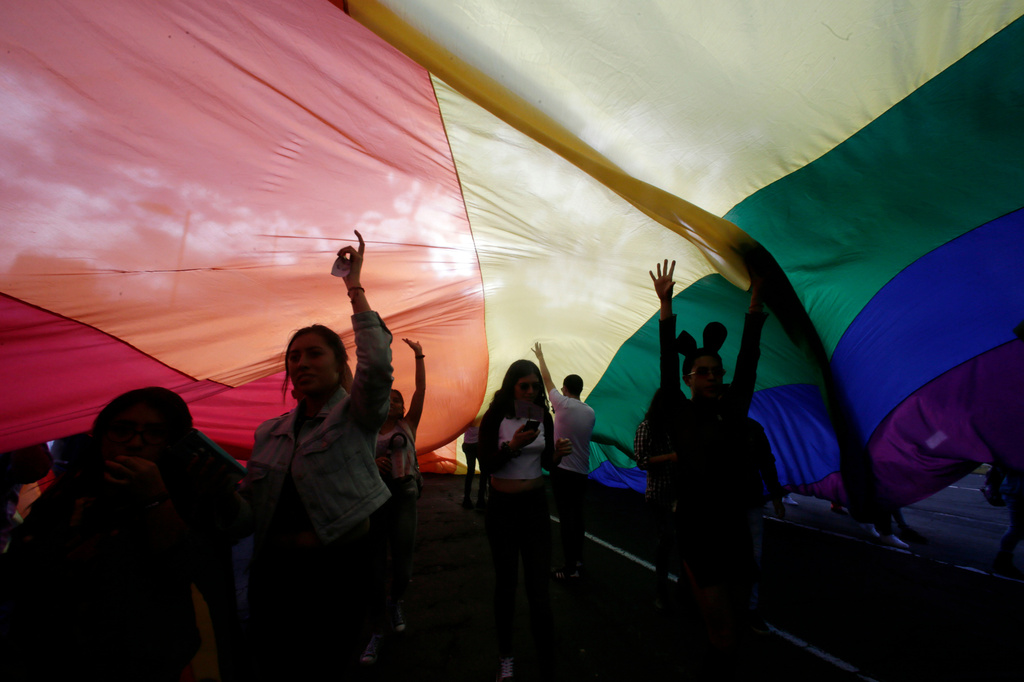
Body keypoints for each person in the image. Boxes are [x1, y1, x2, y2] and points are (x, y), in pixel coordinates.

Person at [226, 230, 394, 679]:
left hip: (335, 575)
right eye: (293, 357)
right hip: (274, 577)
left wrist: (353, 287)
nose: (300, 363)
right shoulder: (270, 433)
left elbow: (377, 365)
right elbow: (247, 515)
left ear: (340, 364)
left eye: (314, 353)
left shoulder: (356, 416)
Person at [1, 388, 218, 682]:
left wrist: (154, 496)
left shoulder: (190, 494)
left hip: (134, 661)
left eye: (154, 433)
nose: (135, 442)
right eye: (122, 430)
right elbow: (25, 561)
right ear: (102, 435)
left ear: (172, 442)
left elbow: (180, 567)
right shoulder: (72, 488)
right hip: (46, 652)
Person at [649, 257, 767, 657]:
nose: (713, 376)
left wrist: (756, 304)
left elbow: (749, 364)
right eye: (703, 371)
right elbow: (667, 366)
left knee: (733, 625)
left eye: (717, 370)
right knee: (720, 632)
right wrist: (666, 307)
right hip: (699, 530)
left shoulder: (733, 410)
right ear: (689, 379)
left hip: (733, 529)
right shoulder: (679, 412)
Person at [479, 360, 571, 682]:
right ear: (511, 387)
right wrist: (511, 447)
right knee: (506, 585)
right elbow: (487, 465)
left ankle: (547, 659)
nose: (532, 391)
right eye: (524, 386)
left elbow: (544, 462)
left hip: (534, 506)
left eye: (534, 386)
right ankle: (506, 655)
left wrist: (557, 453)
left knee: (538, 590)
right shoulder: (495, 417)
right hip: (503, 508)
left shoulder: (542, 415)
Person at [360, 338, 426, 665]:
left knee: (402, 568)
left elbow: (420, 392)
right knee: (373, 569)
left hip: (404, 498)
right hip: (375, 499)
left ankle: (395, 601)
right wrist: (371, 463)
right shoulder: (367, 430)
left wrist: (419, 356)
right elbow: (353, 458)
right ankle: (375, 632)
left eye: (398, 399)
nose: (396, 403)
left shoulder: (408, 426)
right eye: (390, 398)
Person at [532, 342, 596, 581]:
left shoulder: (561, 404)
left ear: (565, 389)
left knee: (566, 519)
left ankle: (569, 568)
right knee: (577, 518)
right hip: (582, 473)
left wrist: (540, 357)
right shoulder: (590, 412)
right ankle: (578, 561)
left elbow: (545, 379)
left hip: (563, 470)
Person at [737, 416, 786, 634]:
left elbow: (766, 460)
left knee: (753, 555)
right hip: (722, 504)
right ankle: (738, 606)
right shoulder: (707, 423)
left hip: (749, 500)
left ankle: (749, 607)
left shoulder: (752, 427)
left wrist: (775, 493)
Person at [633, 389, 679, 612]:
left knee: (678, 542)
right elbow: (641, 461)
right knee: (665, 541)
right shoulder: (647, 428)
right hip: (659, 495)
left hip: (680, 495)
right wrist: (670, 457)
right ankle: (661, 589)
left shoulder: (677, 428)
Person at [462, 417, 487, 509]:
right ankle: (480, 500)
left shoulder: (468, 417)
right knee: (484, 472)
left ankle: (466, 499)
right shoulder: (483, 417)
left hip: (467, 445)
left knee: (470, 472)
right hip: (478, 446)